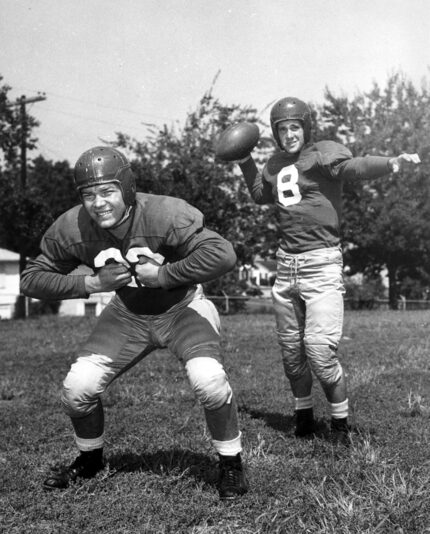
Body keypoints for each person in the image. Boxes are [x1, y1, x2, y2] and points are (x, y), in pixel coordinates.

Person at [20, 146, 248, 500]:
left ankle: (231, 463)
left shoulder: (165, 212)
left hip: (182, 308)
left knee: (209, 380)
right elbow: (31, 279)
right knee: (77, 388)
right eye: (88, 195)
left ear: (126, 189)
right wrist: (92, 284)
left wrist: (163, 275)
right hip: (127, 314)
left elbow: (222, 254)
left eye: (108, 191)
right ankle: (90, 458)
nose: (98, 203)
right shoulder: (71, 225)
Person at [234, 97, 421, 443]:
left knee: (319, 350)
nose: (289, 134)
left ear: (306, 126)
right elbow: (261, 195)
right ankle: (303, 414)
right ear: (275, 134)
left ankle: (339, 425)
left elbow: (354, 167)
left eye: (295, 127)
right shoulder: (275, 163)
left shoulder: (322, 153)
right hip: (285, 266)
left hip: (321, 265)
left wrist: (391, 163)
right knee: (292, 353)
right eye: (282, 129)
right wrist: (244, 160)